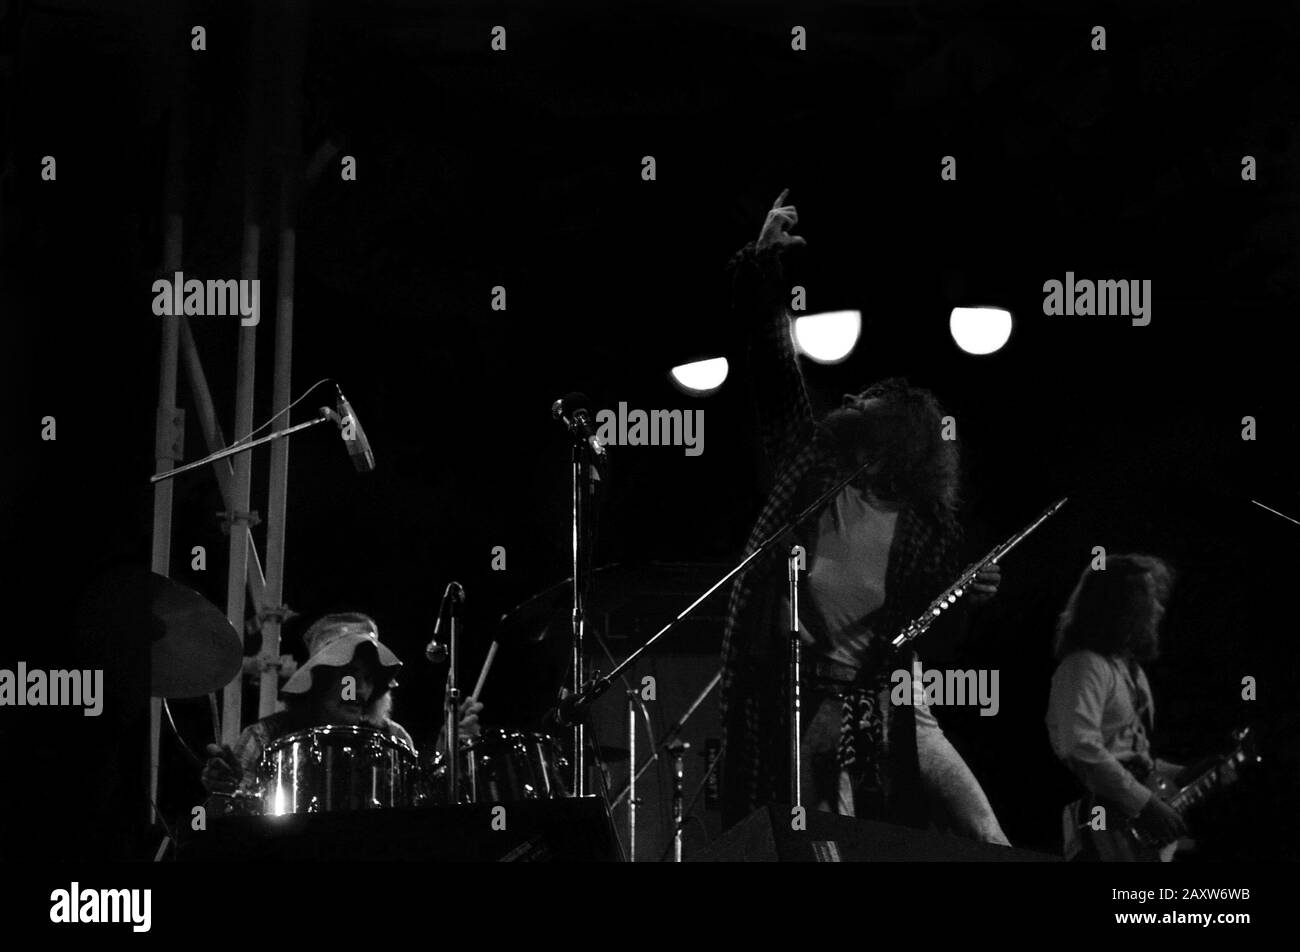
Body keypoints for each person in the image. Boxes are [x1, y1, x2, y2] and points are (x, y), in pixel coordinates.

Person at [718, 190, 1009, 845]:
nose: (853, 412)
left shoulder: (926, 528)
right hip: (803, 697)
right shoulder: (817, 471)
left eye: (872, 415)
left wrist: (971, 592)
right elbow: (772, 366)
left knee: (984, 834)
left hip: (893, 699)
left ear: (901, 443)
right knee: (823, 840)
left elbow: (927, 624)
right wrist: (764, 265)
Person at [201, 612, 481, 812]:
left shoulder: (393, 737)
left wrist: (450, 756)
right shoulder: (263, 736)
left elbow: (424, 816)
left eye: (369, 679)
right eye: (349, 676)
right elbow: (227, 826)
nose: (361, 691)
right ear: (318, 680)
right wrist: (224, 789)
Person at [1046, 554, 1189, 860]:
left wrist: (1191, 774)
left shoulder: (1131, 671)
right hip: (1100, 822)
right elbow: (1079, 746)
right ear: (1123, 605)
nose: (1159, 609)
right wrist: (1146, 803)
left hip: (1125, 824)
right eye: (1150, 599)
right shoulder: (1084, 665)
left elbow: (1130, 753)